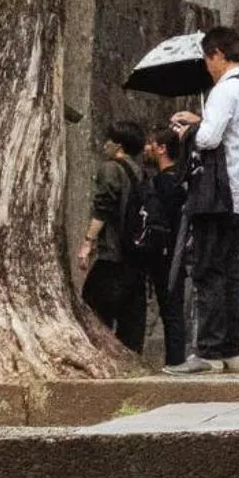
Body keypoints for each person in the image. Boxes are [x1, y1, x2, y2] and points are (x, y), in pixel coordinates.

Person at [163, 26, 239, 374]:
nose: (208, 66)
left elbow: (208, 139)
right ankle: (232, 351)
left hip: (215, 194)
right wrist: (203, 120)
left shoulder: (225, 90)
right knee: (230, 273)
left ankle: (208, 352)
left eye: (209, 59)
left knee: (208, 270)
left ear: (219, 55)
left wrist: (189, 129)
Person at [76, 121, 147, 354]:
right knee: (131, 314)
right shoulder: (139, 172)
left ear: (118, 145)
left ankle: (101, 353)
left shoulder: (110, 169)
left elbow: (103, 208)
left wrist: (88, 241)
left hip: (113, 249)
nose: (105, 144)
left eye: (109, 140)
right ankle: (130, 354)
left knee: (92, 303)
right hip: (135, 252)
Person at [139, 125, 188, 370]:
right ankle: (175, 358)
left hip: (165, 251)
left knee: (170, 307)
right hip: (177, 248)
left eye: (151, 143)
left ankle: (176, 359)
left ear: (162, 149)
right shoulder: (182, 179)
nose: (146, 148)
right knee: (173, 306)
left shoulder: (162, 182)